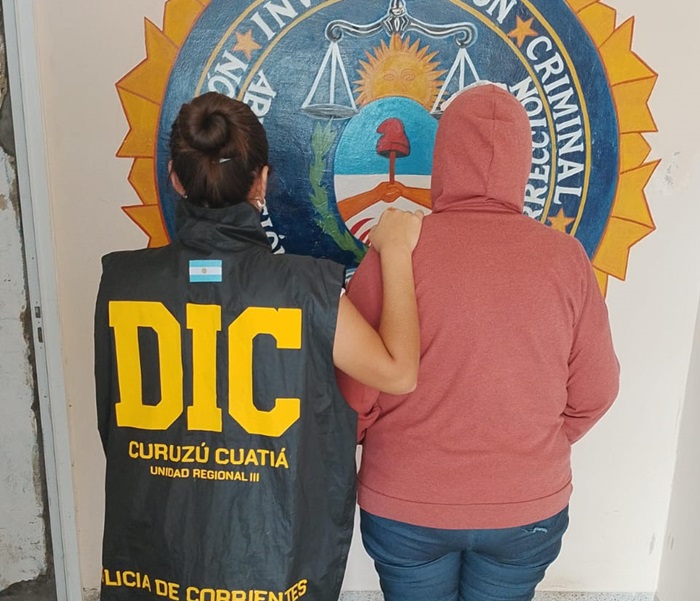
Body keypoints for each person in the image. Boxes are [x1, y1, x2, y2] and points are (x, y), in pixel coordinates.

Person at [94, 92, 423, 601]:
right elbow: (399, 373)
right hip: (271, 565)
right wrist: (396, 250)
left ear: (176, 179)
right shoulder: (307, 288)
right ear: (262, 181)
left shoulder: (121, 280)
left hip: (155, 562)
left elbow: (111, 426)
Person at [338, 83, 620, 601]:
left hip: (406, 499)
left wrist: (380, 441)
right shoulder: (566, 259)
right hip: (526, 503)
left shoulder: (396, 248)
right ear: (523, 164)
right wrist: (527, 448)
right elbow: (596, 390)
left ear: (443, 158)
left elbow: (353, 392)